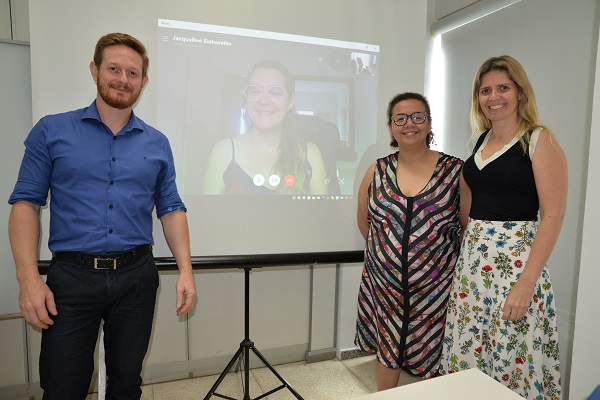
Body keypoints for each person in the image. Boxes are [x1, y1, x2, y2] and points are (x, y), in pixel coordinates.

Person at [8, 33, 196, 400]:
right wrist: (28, 278)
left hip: (137, 278)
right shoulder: (51, 130)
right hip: (71, 280)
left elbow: (171, 208)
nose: (123, 79)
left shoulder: (158, 143)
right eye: (114, 69)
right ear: (95, 70)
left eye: (132, 73)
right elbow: (25, 204)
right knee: (63, 387)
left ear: (143, 81)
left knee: (127, 385)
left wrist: (186, 271)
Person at [439, 55, 567, 400]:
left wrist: (526, 284)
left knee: (512, 357)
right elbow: (471, 205)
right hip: (473, 270)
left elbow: (553, 214)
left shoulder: (539, 140)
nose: (493, 97)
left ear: (520, 92)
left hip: (516, 268)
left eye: (503, 88)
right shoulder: (480, 141)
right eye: (485, 91)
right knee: (471, 355)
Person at [354, 92, 464, 391]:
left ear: (429, 123)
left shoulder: (455, 171)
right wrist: (388, 255)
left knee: (433, 353)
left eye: (417, 117)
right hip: (385, 285)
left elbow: (466, 226)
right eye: (400, 119)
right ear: (391, 127)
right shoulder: (376, 170)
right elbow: (366, 223)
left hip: (436, 290)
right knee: (387, 348)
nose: (409, 124)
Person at [203, 60, 328, 195]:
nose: (264, 101)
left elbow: (321, 209)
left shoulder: (311, 154)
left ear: (290, 102)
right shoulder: (223, 152)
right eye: (255, 91)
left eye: (275, 92)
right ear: (247, 99)